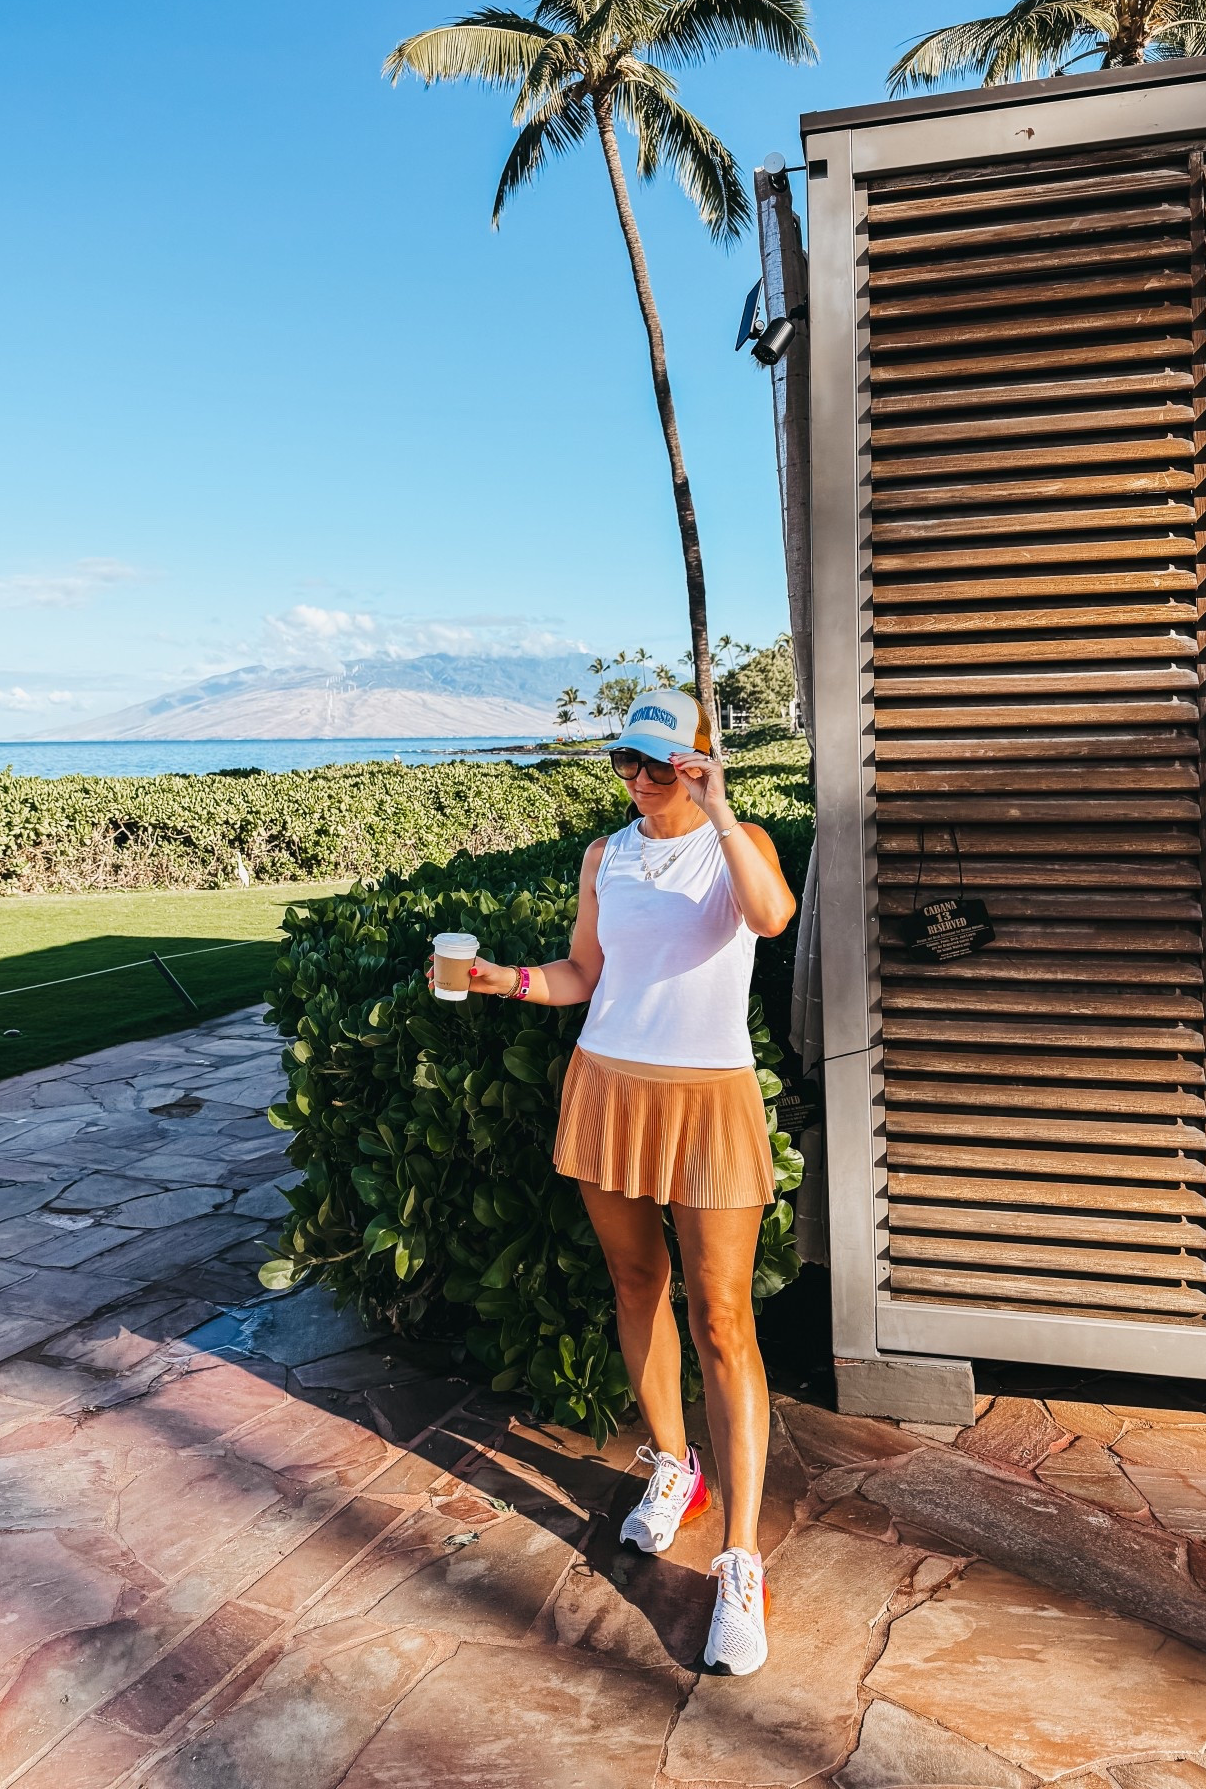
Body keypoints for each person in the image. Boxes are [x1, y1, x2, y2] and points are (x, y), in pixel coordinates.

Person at [433, 688, 797, 1677]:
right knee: (637, 1285)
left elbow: (771, 916)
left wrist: (720, 808)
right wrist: (502, 979)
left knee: (723, 1319)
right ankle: (676, 1468)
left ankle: (740, 1563)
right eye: (625, 761)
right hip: (608, 1087)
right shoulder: (608, 855)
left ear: (698, 761)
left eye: (657, 762)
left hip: (708, 1098)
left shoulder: (739, 841)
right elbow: (584, 975)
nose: (637, 778)